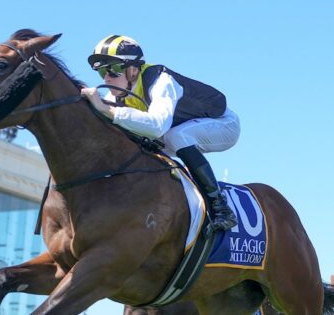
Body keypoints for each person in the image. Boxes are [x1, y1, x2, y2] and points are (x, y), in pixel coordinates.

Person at [80, 34, 239, 231]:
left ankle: (219, 207)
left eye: (114, 68)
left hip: (223, 124)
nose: (107, 77)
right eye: (102, 71)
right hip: (183, 128)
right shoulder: (115, 94)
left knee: (175, 136)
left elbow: (157, 126)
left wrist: (107, 110)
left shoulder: (161, 80)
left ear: (133, 69)